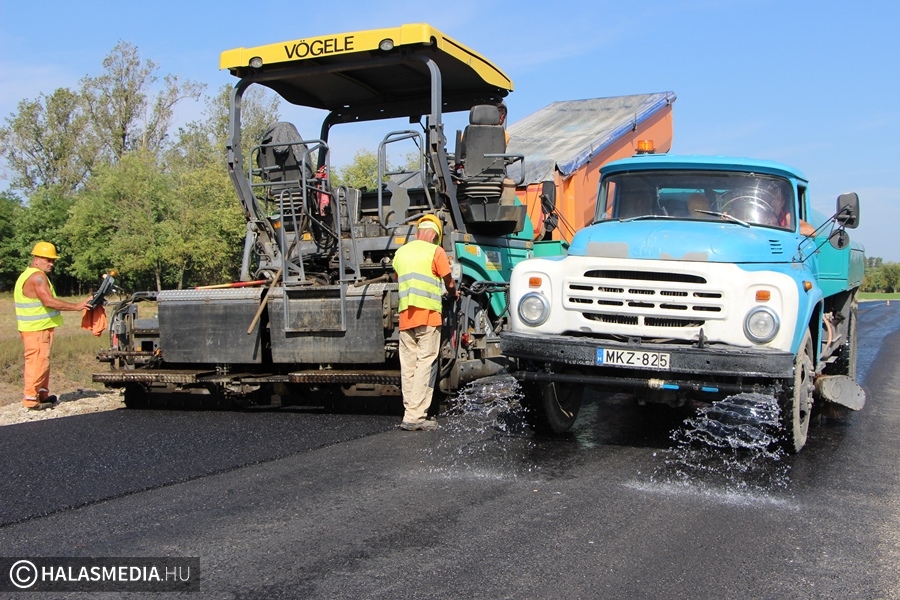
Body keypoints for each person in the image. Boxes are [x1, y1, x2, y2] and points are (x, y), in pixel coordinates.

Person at [392, 215, 459, 431]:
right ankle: (415, 418)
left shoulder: (401, 252)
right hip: (428, 317)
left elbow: (397, 277)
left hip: (405, 317)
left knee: (408, 366)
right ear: (436, 236)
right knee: (424, 364)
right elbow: (448, 280)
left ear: (417, 232)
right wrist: (453, 292)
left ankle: (409, 412)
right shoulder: (436, 252)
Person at [14, 242, 91, 410]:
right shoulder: (37, 277)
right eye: (48, 260)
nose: (51, 264)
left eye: (53, 260)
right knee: (37, 362)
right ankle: (30, 400)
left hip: (38, 328)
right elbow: (48, 301)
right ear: (36, 259)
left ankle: (42, 394)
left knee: (43, 361)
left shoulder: (31, 275)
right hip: (36, 329)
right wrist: (77, 306)